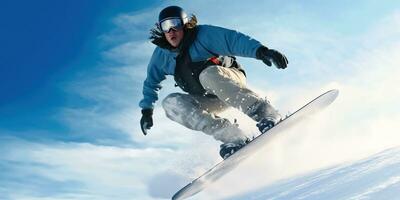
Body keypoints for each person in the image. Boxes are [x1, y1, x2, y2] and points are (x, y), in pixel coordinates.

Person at [139, 6, 288, 159]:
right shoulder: (161, 55)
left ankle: (263, 111)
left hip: (230, 82)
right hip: (210, 98)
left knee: (207, 75)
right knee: (171, 104)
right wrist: (147, 110)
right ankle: (230, 135)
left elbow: (232, 39)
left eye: (174, 24)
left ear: (184, 24)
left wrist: (261, 51)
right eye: (165, 26)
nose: (171, 31)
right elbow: (151, 82)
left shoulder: (203, 35)